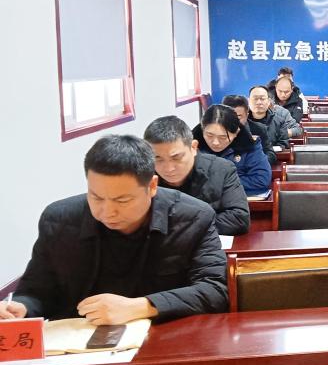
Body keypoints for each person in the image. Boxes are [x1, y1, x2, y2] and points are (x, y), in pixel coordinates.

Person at [0, 135, 228, 323]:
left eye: (122, 200)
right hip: (76, 346)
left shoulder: (193, 217)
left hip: (163, 341)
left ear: (152, 186)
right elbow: (36, 291)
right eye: (97, 197)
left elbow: (215, 289)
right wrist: (21, 307)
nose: (107, 212)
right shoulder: (59, 220)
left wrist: (141, 307)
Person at [144, 116, 250, 235]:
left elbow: (239, 219)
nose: (169, 168)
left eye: (176, 157)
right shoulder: (142, 176)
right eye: (157, 158)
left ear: (193, 147)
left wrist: (179, 227)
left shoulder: (221, 169)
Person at [193, 104, 272, 197]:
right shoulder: (191, 145)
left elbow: (261, 180)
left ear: (236, 132)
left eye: (223, 137)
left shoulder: (249, 145)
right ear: (202, 129)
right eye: (209, 135)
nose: (215, 142)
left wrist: (217, 182)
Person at [223, 94, 279, 166]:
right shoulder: (216, 130)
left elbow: (270, 154)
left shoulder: (259, 129)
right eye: (229, 116)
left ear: (247, 115)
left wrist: (255, 163)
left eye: (238, 117)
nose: (234, 121)